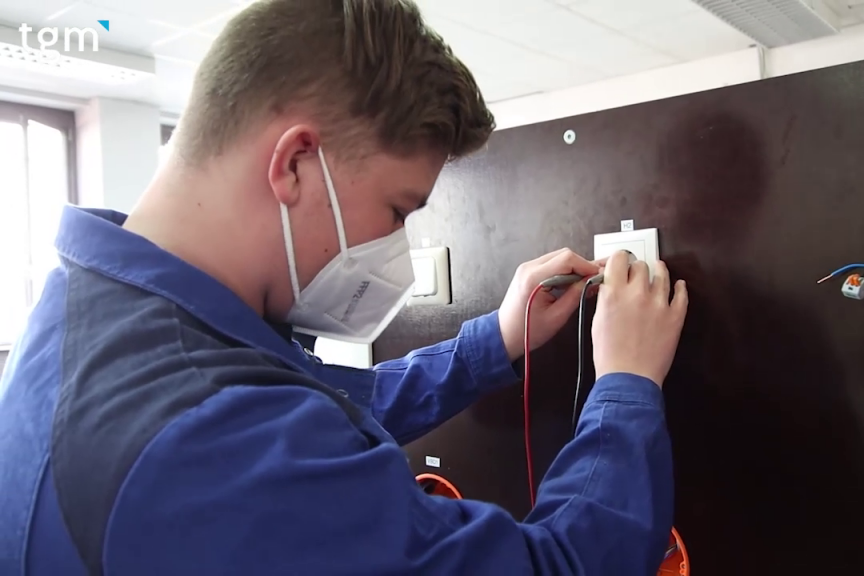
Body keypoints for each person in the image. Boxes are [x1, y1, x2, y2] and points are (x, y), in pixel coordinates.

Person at [0, 0, 688, 574]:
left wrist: (495, 342)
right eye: (398, 211)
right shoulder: (212, 441)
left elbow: (335, 405)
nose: (396, 246)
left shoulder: (97, 319)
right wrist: (625, 385)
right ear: (295, 163)